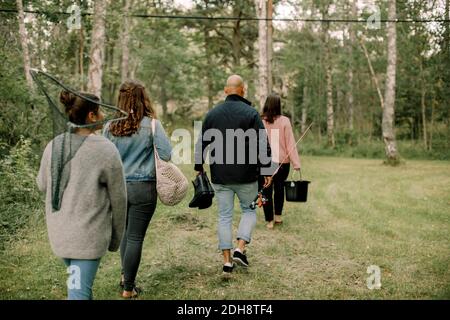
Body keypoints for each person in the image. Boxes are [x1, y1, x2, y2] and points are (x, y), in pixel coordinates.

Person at [36, 90, 127, 300]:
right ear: (91, 116)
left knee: (79, 289)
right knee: (78, 294)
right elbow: (120, 201)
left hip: (60, 235)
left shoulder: (54, 145)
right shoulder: (106, 150)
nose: (104, 114)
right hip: (86, 241)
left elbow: (42, 184)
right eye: (100, 110)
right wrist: (115, 239)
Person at [194, 75, 272, 275]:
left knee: (224, 216)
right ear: (243, 90)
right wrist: (266, 170)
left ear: (226, 90)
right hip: (247, 174)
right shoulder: (251, 113)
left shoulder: (212, 114)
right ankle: (240, 248)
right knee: (249, 210)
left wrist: (198, 166)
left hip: (220, 174)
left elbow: (201, 143)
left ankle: (227, 262)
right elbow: (262, 144)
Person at [103, 80, 172, 298]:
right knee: (135, 237)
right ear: (144, 98)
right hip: (143, 187)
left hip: (117, 188)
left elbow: (104, 159)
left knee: (125, 234)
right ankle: (128, 288)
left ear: (121, 99)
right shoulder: (152, 125)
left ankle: (125, 277)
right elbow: (167, 154)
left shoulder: (109, 127)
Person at [259, 93, 301, 229]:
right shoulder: (285, 121)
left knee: (266, 191)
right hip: (283, 163)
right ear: (278, 105)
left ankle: (269, 221)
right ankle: (277, 217)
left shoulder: (260, 121)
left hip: (266, 162)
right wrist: (296, 164)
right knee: (279, 190)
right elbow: (290, 143)